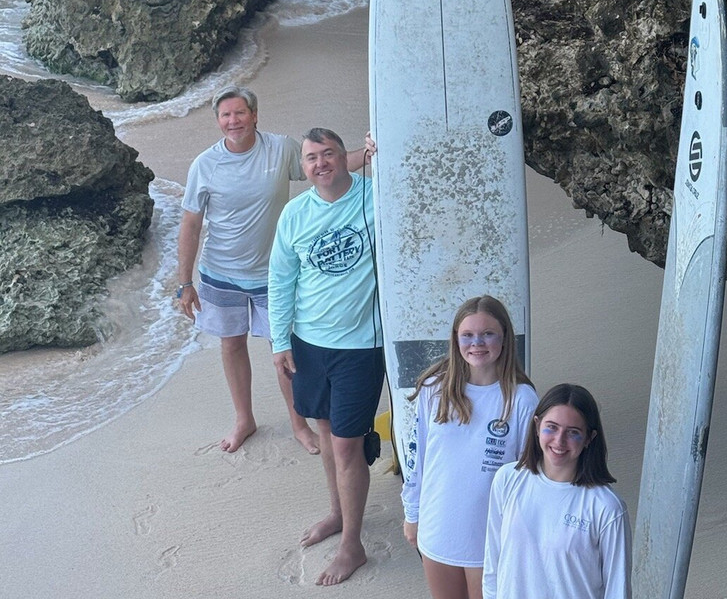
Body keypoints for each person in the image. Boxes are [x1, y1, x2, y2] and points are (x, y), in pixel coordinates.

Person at [176, 87, 368, 455]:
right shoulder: (205, 164)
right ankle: (244, 419)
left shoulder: (280, 149)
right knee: (232, 344)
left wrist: (371, 151)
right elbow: (191, 224)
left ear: (255, 115)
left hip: (274, 274)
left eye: (240, 113)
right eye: (226, 115)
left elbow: (325, 167)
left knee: (284, 350)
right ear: (218, 121)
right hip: (220, 271)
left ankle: (299, 425)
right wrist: (185, 283)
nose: (233, 121)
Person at [268, 127, 381, 587]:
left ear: (343, 156)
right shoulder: (295, 213)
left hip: (361, 346)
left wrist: (381, 145)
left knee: (348, 443)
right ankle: (337, 513)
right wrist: (279, 342)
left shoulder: (375, 196)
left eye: (328, 154)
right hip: (309, 344)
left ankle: (352, 545)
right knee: (325, 431)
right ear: (304, 166)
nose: (320, 164)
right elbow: (280, 279)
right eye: (311, 158)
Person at [401, 295, 537, 599]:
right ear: (456, 339)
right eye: (468, 335)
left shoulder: (522, 399)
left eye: (488, 333)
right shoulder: (434, 388)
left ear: (504, 338)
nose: (477, 343)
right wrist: (412, 514)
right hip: (438, 527)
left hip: (490, 535)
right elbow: (416, 457)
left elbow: (529, 477)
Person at [483, 383, 632, 599]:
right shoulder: (507, 479)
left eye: (573, 432)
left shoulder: (607, 508)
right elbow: (492, 564)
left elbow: (618, 590)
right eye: (551, 427)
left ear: (589, 438)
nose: (559, 441)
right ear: (537, 426)